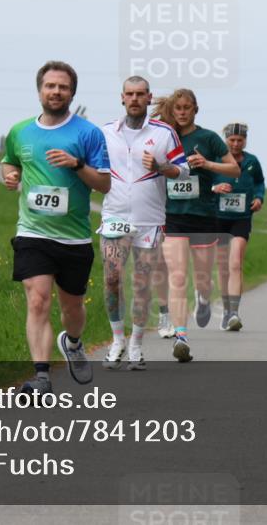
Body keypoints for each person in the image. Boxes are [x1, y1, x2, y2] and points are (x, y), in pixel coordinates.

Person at [1, 61, 111, 395]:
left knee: (72, 308)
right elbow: (10, 160)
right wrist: (10, 175)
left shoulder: (88, 133)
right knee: (37, 300)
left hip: (74, 237)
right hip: (33, 232)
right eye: (50, 86)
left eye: (62, 87)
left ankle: (74, 342)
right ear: (40, 90)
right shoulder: (21, 131)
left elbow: (104, 184)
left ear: (72, 93)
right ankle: (42, 376)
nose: (56, 92)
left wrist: (77, 164)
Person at [99, 76, 188, 370]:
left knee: (141, 283)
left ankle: (136, 344)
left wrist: (161, 167)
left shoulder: (165, 133)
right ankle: (117, 340)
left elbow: (184, 171)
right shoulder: (105, 132)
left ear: (149, 98)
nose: (135, 99)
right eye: (129, 94)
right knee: (112, 278)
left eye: (140, 94)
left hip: (150, 220)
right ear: (122, 98)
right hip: (114, 217)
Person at [152, 89, 240, 362]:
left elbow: (234, 169)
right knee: (178, 275)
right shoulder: (165, 136)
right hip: (174, 215)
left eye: (187, 107)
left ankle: (203, 299)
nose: (181, 112)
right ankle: (181, 336)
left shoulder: (208, 138)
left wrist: (207, 163)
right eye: (177, 107)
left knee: (202, 279)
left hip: (202, 215)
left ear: (195, 109)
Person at [213, 122, 265, 332]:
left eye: (239, 140)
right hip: (218, 217)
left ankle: (234, 312)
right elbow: (204, 180)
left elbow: (260, 182)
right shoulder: (216, 159)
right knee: (223, 266)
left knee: (235, 263)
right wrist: (215, 187)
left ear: (245, 141)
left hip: (242, 218)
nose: (235, 144)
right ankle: (226, 310)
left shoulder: (252, 161)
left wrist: (259, 198)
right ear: (225, 139)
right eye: (232, 140)